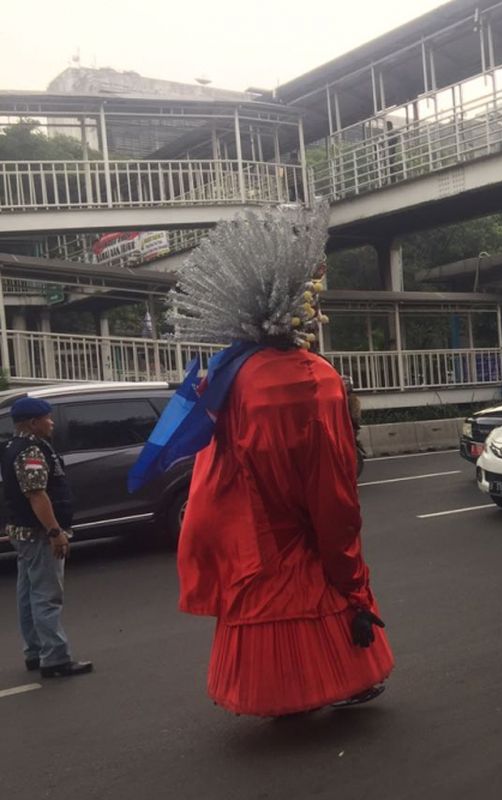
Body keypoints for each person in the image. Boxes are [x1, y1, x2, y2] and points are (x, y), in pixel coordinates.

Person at [131, 205, 394, 717]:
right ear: (303, 308)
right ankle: (340, 678)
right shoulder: (312, 379)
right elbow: (332, 492)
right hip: (295, 531)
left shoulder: (229, 376)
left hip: (247, 535)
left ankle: (282, 697)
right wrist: (352, 575)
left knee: (268, 612)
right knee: (318, 593)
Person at [5, 397, 93, 679]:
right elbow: (36, 494)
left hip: (24, 533)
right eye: (47, 417)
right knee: (46, 596)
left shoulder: (13, 446)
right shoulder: (30, 450)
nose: (51, 421)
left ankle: (35, 651)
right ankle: (54, 658)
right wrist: (55, 532)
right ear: (33, 423)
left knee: (29, 593)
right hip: (39, 534)